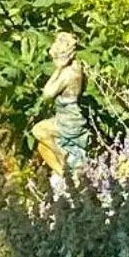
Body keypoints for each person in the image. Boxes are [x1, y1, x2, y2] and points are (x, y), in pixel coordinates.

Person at [30, 31, 88, 177]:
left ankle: (63, 158)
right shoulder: (71, 68)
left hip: (70, 119)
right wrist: (60, 68)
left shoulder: (69, 73)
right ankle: (65, 176)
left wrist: (59, 68)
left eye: (56, 58)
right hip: (63, 116)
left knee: (38, 130)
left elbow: (47, 94)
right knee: (43, 147)